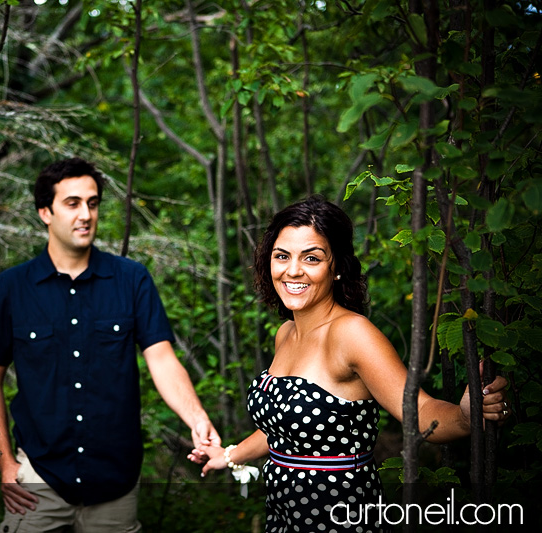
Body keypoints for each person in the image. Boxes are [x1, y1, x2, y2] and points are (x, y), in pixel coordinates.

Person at [189, 196, 510, 533]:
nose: (293, 270)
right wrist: (228, 455)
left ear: (337, 267)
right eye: (282, 256)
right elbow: (284, 431)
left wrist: (465, 416)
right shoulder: (286, 333)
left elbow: (422, 411)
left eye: (311, 258)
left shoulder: (353, 334)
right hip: (283, 517)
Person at [0, 157, 220, 533]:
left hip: (115, 482)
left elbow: (162, 359)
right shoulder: (11, 289)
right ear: (45, 212)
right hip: (38, 478)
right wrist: (5, 464)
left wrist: (197, 419)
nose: (85, 214)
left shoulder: (131, 279)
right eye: (72, 203)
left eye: (92, 203)